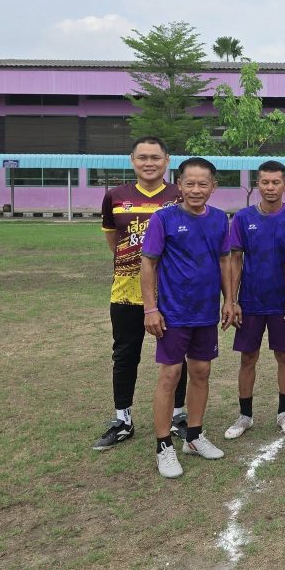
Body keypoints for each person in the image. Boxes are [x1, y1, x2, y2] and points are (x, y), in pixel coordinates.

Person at [94, 136, 188, 451]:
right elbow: (115, 242)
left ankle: (177, 415)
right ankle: (122, 419)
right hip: (126, 292)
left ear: (167, 161)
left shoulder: (179, 195)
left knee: (176, 356)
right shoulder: (115, 196)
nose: (149, 163)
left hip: (170, 293)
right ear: (132, 160)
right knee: (124, 355)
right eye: (143, 157)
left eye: (155, 157)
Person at [141, 157, 232, 479]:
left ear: (213, 187)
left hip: (205, 313)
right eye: (189, 183)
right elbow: (148, 263)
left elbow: (225, 261)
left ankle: (193, 436)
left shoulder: (219, 219)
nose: (196, 190)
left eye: (202, 184)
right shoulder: (163, 219)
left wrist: (229, 300)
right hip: (173, 313)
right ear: (179, 185)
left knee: (202, 372)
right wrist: (150, 308)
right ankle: (163, 445)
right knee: (170, 374)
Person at [222, 161, 285, 441]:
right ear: (257, 184)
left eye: (275, 182)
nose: (270, 187)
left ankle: (284, 412)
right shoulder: (243, 218)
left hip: (283, 302)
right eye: (265, 182)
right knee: (248, 357)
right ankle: (245, 415)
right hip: (251, 301)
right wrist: (232, 300)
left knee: (284, 355)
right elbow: (235, 260)